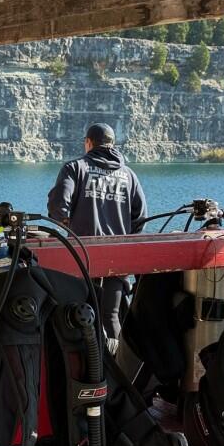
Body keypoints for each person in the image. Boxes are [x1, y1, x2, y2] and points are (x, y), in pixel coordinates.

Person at [47, 122, 147, 347]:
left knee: (80, 315)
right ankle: (120, 372)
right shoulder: (128, 175)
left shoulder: (75, 168)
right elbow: (140, 217)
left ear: (88, 143)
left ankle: (88, 371)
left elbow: (58, 207)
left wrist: (67, 226)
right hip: (117, 258)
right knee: (111, 317)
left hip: (82, 257)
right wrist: (124, 239)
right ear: (112, 145)